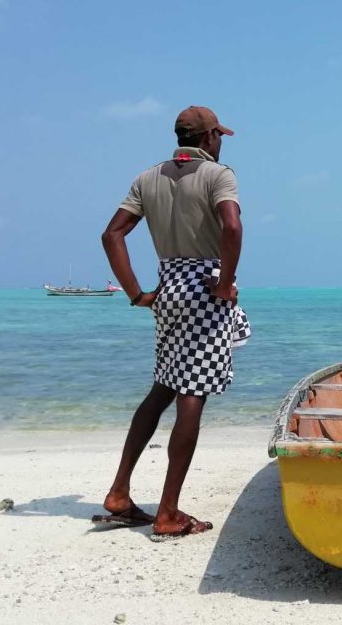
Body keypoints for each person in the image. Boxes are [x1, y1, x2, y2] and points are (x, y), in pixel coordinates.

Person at [99, 105, 249, 541]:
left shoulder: (147, 178)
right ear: (207, 139)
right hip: (203, 287)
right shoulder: (220, 175)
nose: (220, 142)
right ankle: (168, 513)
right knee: (192, 395)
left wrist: (136, 294)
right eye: (218, 135)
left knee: (163, 387)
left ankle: (119, 494)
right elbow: (232, 228)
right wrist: (224, 282)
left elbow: (112, 235)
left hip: (167, 288)